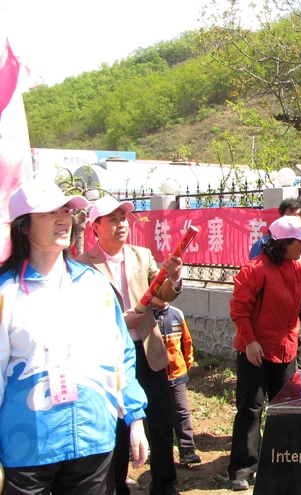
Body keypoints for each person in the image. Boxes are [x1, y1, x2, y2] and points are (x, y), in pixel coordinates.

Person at [0, 180, 149, 494]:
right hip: (27, 442)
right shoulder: (6, 292)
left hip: (92, 437)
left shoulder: (94, 285)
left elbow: (120, 354)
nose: (62, 219)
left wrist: (135, 419)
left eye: (66, 210)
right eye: (49, 213)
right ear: (24, 226)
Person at [76, 196, 183, 495]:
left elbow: (161, 296)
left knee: (160, 423)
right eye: (112, 219)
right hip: (107, 358)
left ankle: (164, 484)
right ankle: (117, 485)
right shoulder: (82, 265)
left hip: (147, 352)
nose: (121, 224)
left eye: (123, 219)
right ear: (95, 227)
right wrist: (118, 323)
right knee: (118, 427)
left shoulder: (142, 255)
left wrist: (173, 277)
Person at [228, 215, 301, 491]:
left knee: (284, 410)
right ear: (285, 243)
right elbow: (239, 309)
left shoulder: (299, 270)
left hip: (286, 351)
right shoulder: (254, 270)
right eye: (300, 242)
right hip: (256, 352)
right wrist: (249, 341)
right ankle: (242, 468)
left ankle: (281, 460)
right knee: (250, 409)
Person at [249, 197, 301, 371]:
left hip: (295, 322)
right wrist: (249, 341)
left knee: (296, 380)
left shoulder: (300, 266)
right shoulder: (256, 267)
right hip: (263, 341)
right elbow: (240, 307)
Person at [150, 298, 201, 466]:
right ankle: (157, 451)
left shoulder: (177, 315)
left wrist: (185, 365)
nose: (165, 296)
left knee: (181, 412)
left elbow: (187, 343)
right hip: (155, 376)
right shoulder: (146, 317)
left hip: (177, 375)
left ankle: (187, 450)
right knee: (155, 415)